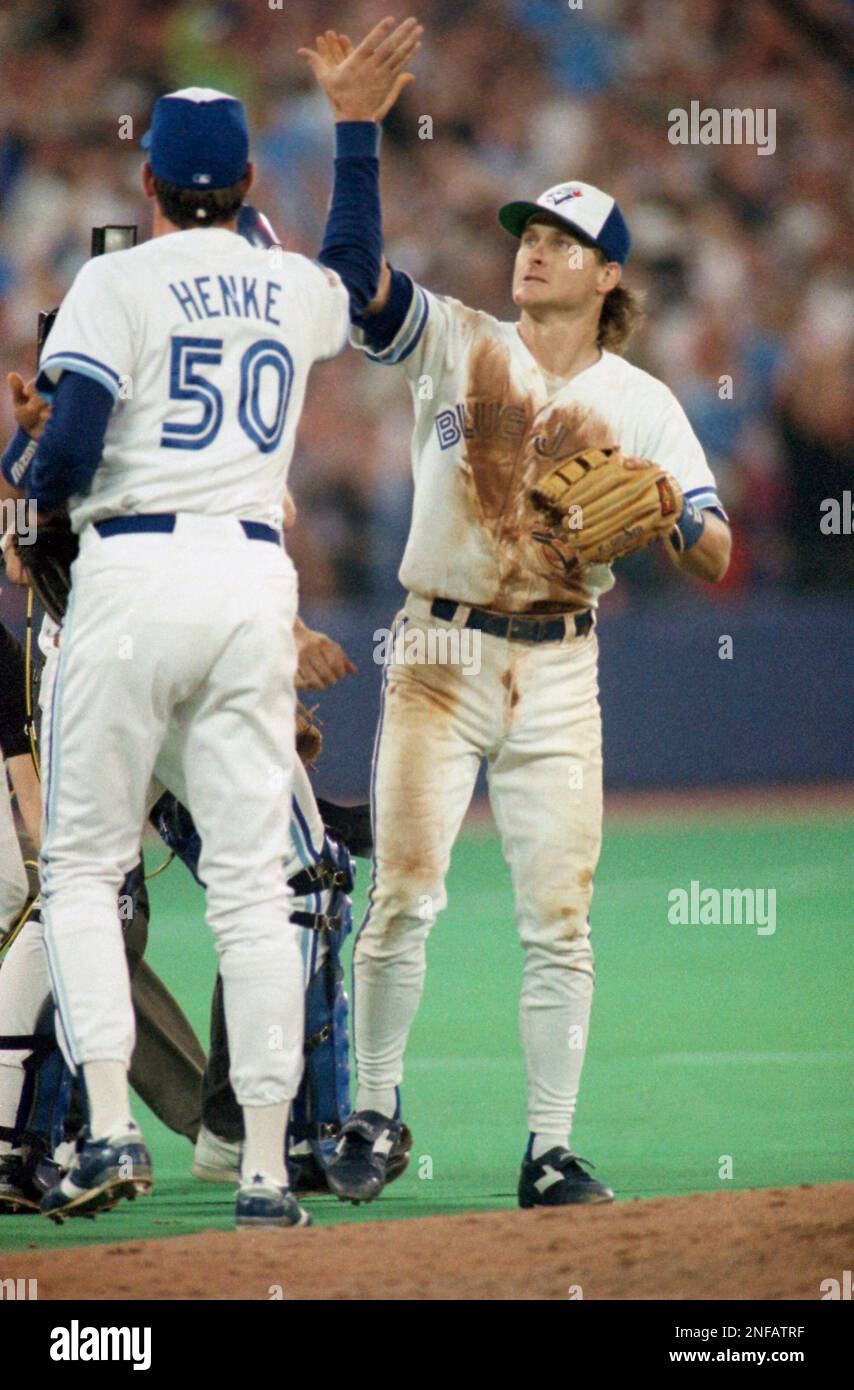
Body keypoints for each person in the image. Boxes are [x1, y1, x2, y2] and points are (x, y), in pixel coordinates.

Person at [0, 15, 422, 1229]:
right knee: (254, 889)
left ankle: (112, 1136)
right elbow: (354, 272)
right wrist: (354, 129)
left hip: (131, 583)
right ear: (242, 185)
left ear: (148, 184)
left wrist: (28, 466)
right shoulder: (287, 285)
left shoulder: (112, 278)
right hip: (250, 587)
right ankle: (258, 1172)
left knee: (83, 870)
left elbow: (70, 451)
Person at [301, 32, 731, 1210]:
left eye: (557, 242)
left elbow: (713, 544)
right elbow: (347, 278)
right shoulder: (458, 339)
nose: (531, 253)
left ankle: (548, 1151)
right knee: (402, 894)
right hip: (436, 648)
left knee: (558, 915)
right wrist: (354, 129)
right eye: (526, 237)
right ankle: (374, 1114)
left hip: (557, 672)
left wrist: (664, 520)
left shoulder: (640, 403)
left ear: (606, 277)